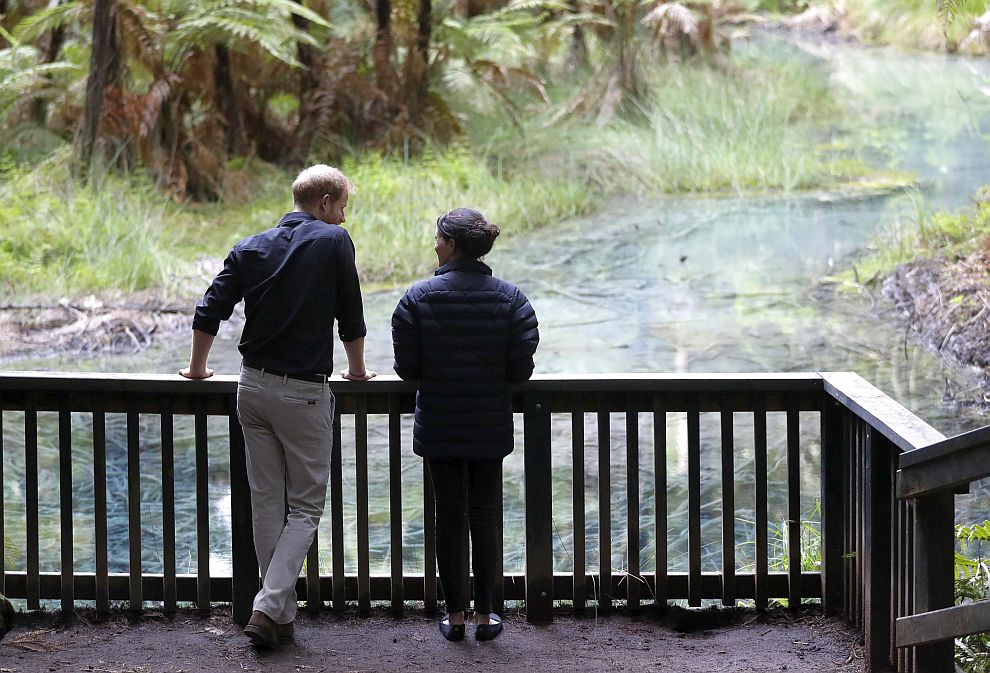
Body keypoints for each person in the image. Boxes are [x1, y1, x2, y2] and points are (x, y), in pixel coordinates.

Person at [179, 164, 376, 649]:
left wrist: (199, 369)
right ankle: (268, 607)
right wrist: (355, 370)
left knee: (267, 501)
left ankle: (279, 617)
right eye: (343, 208)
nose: (343, 218)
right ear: (326, 202)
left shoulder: (250, 246)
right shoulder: (334, 242)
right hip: (303, 392)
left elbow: (210, 309)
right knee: (306, 507)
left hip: (252, 388)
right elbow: (349, 312)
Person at [391, 207, 539, 642]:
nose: (434, 245)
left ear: (452, 245)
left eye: (438, 239)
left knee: (448, 518)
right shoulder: (512, 299)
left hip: (439, 423)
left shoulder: (417, 298)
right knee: (485, 516)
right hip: (490, 424)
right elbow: (520, 371)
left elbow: (407, 370)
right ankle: (485, 616)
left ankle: (454, 616)